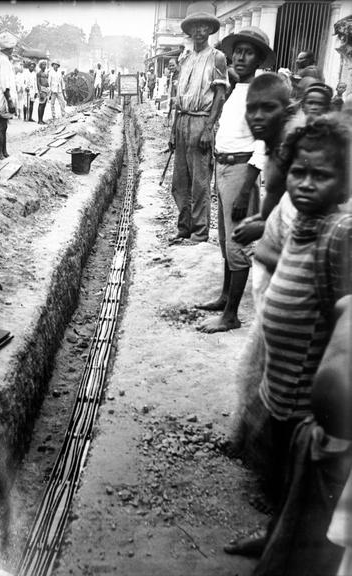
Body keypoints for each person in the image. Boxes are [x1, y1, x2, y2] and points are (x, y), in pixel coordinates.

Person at [227, 114, 352, 561]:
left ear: (344, 182)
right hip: (279, 390)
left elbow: (346, 319)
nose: (305, 183)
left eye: (322, 175)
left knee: (307, 494)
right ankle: (273, 535)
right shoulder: (303, 222)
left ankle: (293, 555)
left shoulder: (340, 233)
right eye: (299, 171)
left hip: (306, 405)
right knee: (281, 478)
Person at [196, 26, 275, 333]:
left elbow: (263, 144)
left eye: (249, 52)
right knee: (226, 241)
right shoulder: (236, 87)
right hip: (224, 168)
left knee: (237, 245)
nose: (241, 57)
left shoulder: (262, 91)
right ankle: (226, 296)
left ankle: (231, 316)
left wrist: (245, 191)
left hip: (242, 172)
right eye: (238, 51)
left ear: (259, 59)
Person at [168, 2, 227, 248]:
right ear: (190, 30)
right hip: (182, 120)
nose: (199, 31)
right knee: (180, 182)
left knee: (200, 182)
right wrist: (173, 130)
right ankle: (184, 228)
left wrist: (208, 128)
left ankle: (200, 232)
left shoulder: (217, 57)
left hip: (201, 121)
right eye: (195, 26)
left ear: (210, 30)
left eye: (204, 26)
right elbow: (179, 97)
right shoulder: (185, 58)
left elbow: (220, 96)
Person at [0, 32, 17, 161]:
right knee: (1, 126)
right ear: (8, 48)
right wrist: (10, 101)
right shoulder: (4, 61)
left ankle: (4, 151)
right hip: (3, 99)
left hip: (2, 97)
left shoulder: (1, 59)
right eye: (12, 48)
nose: (12, 50)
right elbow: (5, 84)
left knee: (4, 126)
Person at [36, 60, 49, 124]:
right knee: (41, 104)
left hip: (46, 89)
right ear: (40, 66)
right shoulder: (39, 73)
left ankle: (41, 119)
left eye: (45, 65)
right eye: (43, 64)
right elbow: (38, 82)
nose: (44, 66)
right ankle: (39, 120)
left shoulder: (46, 73)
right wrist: (40, 91)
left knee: (44, 105)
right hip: (42, 89)